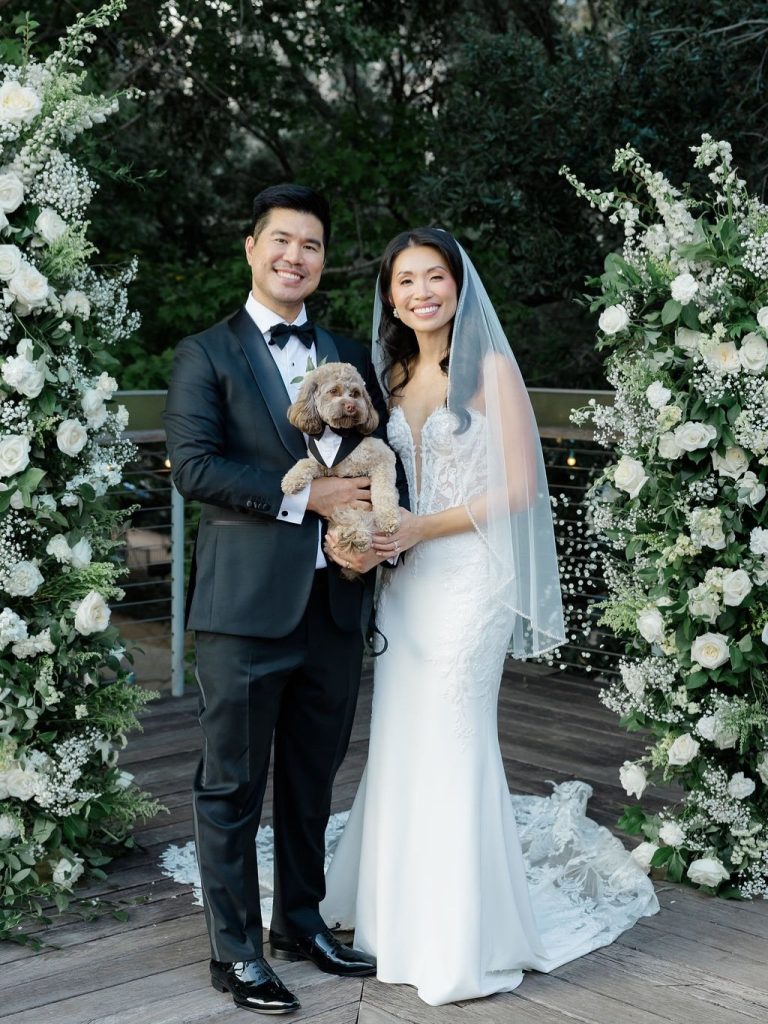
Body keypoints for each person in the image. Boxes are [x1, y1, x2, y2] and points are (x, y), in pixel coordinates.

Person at [321, 228, 659, 1006]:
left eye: (434, 277)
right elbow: (375, 476)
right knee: (402, 737)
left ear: (458, 284)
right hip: (405, 583)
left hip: (469, 580)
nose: (421, 293)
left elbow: (520, 488)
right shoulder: (390, 374)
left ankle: (455, 937)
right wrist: (364, 538)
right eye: (406, 281)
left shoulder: (492, 372)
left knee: (453, 737)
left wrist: (420, 528)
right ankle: (388, 911)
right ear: (390, 297)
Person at [164, 184, 406, 1016]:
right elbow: (196, 468)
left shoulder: (346, 350)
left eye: (310, 244)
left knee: (312, 780)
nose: (294, 256)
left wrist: (371, 532)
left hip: (335, 606)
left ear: (323, 260)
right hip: (243, 613)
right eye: (281, 240)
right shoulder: (205, 353)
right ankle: (235, 953)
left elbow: (381, 455)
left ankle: (300, 923)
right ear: (252, 247)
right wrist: (310, 497)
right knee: (231, 787)